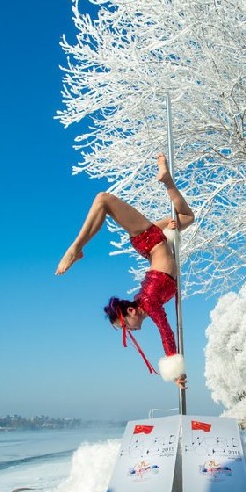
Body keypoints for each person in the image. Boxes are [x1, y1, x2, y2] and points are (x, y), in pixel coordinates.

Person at [55, 154, 195, 390]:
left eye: (125, 326)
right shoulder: (147, 301)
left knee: (104, 200)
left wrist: (175, 371)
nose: (129, 330)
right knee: (187, 217)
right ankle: (167, 179)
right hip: (154, 242)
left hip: (149, 239)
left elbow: (165, 330)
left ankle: (76, 248)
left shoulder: (148, 302)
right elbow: (162, 324)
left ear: (131, 311)